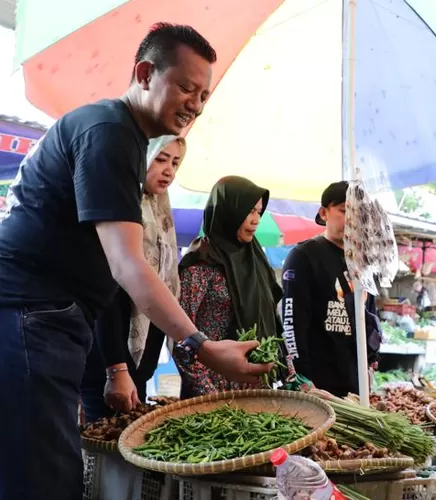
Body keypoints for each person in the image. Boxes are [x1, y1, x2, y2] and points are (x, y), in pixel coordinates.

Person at [0, 24, 270, 500]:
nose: (196, 104)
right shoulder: (108, 132)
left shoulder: (119, 135)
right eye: (186, 87)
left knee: (33, 464)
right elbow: (127, 265)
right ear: (145, 74)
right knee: (41, 476)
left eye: (204, 94)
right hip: (32, 314)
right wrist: (202, 348)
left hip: (47, 316)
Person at [80, 135, 185, 422]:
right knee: (103, 450)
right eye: (160, 159)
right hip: (107, 360)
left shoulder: (162, 216)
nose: (169, 171)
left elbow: (163, 289)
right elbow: (110, 295)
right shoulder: (120, 211)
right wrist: (117, 369)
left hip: (138, 367)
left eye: (175, 162)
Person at [176, 176, 283, 398]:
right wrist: (210, 394)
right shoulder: (201, 264)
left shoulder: (256, 260)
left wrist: (289, 374)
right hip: (213, 391)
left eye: (258, 212)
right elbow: (181, 338)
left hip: (257, 389)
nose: (256, 220)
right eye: (249, 211)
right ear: (228, 210)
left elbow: (273, 323)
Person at [281, 181, 381, 397]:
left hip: (356, 386)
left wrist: (372, 362)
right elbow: (292, 323)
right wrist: (301, 377)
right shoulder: (304, 256)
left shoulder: (364, 264)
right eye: (345, 211)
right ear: (324, 212)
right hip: (316, 386)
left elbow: (370, 318)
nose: (353, 221)